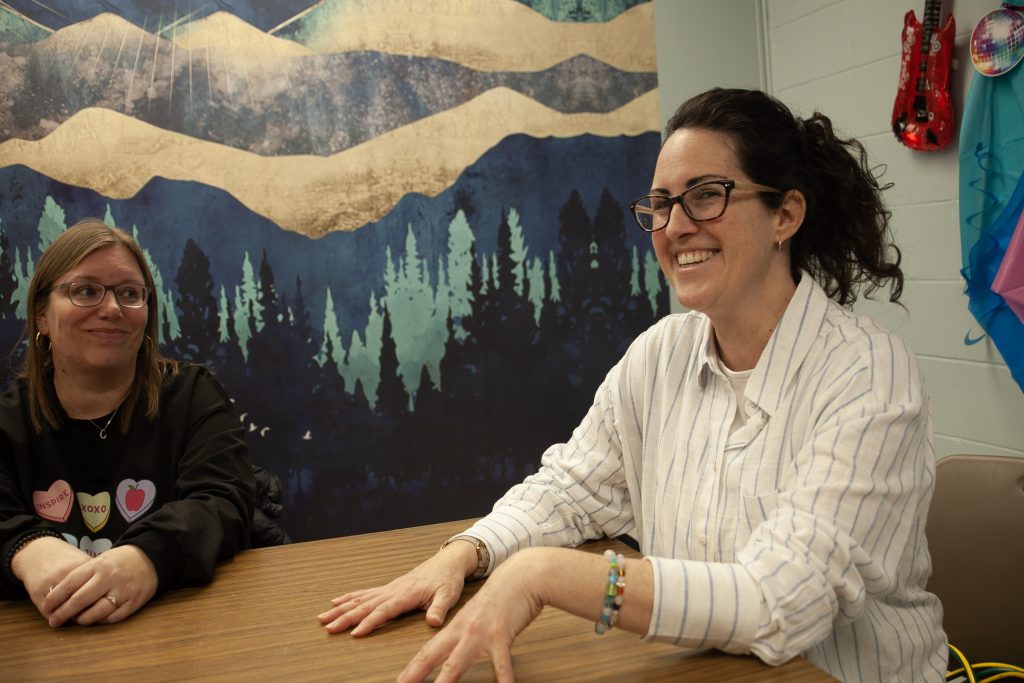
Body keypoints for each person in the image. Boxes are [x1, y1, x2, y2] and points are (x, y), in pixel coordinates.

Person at [317, 88, 948, 681]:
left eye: (705, 195)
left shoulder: (866, 374)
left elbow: (778, 600)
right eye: (661, 204)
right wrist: (467, 552)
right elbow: (570, 490)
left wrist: (543, 575)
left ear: (785, 213)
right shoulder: (660, 354)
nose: (674, 227)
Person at [0, 218, 255, 627]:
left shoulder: (192, 395)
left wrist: (149, 557)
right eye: (86, 291)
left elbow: (223, 501)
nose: (113, 309)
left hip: (179, 632)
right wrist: (25, 547)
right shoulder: (8, 422)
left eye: (130, 294)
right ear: (41, 316)